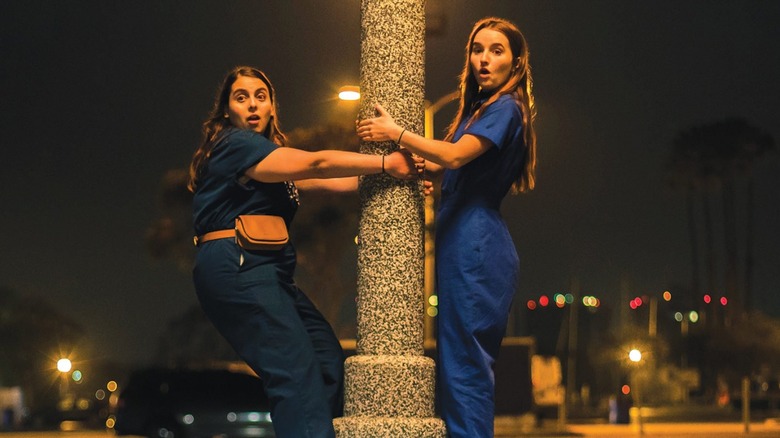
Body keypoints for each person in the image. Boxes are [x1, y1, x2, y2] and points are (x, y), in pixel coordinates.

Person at [188, 66, 424, 438]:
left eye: (260, 97)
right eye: (241, 97)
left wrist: (398, 177)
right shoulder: (236, 143)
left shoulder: (268, 155)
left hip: (267, 271)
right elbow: (318, 162)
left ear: (271, 109)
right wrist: (385, 162)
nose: (252, 104)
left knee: (327, 359)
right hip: (237, 264)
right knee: (294, 371)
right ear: (227, 112)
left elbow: (327, 180)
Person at [357, 17, 537, 437]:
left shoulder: (507, 107)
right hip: (462, 238)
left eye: (496, 50)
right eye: (477, 49)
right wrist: (429, 173)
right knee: (458, 367)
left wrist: (396, 132)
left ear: (516, 62)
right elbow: (451, 164)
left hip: (477, 243)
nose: (484, 59)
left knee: (466, 369)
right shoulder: (479, 109)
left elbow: (455, 156)